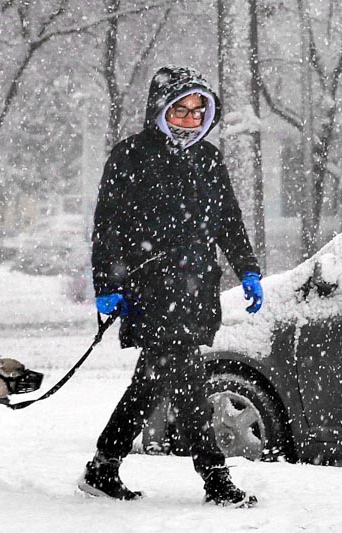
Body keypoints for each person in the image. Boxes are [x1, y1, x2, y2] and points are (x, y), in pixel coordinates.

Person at [77, 65, 264, 508]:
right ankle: (215, 477)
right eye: (180, 111)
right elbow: (108, 228)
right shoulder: (130, 156)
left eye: (198, 112)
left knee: (151, 382)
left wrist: (248, 269)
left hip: (196, 289)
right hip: (150, 289)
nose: (189, 120)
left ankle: (103, 467)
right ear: (161, 110)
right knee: (187, 381)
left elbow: (228, 222)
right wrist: (107, 283)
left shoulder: (209, 160)